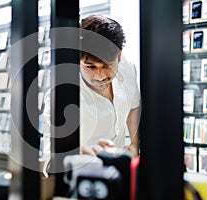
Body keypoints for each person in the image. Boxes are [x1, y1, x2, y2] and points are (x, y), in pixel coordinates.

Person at [41, 15, 141, 163]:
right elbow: (50, 159)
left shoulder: (127, 67)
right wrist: (72, 157)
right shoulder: (62, 95)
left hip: (121, 173)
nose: (100, 76)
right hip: (84, 177)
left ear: (119, 56)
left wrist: (133, 145)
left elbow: (134, 105)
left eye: (107, 65)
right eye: (90, 66)